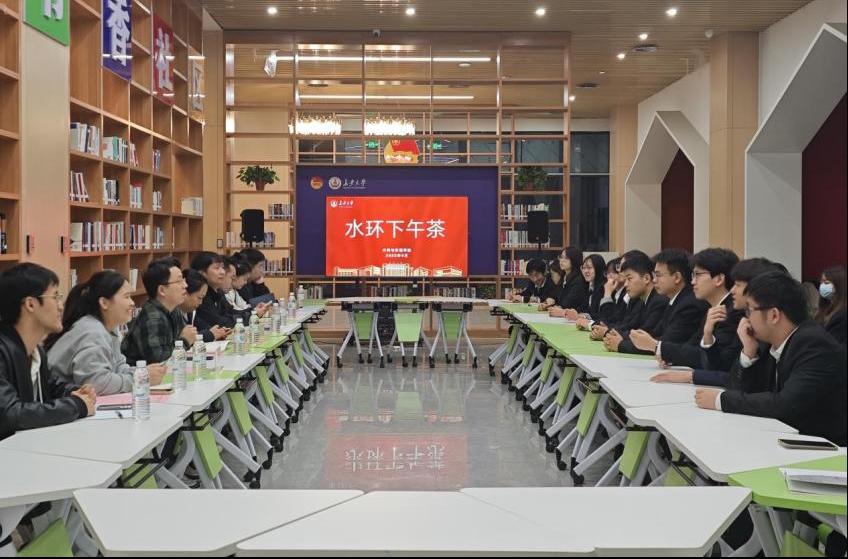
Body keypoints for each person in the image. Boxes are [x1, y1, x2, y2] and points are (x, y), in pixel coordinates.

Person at [694, 271, 847, 445]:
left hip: (828, 447)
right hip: (787, 438)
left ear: (774, 315)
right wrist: (748, 353)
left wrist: (720, 400)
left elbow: (784, 405)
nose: (746, 318)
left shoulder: (813, 344)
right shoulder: (769, 342)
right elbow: (743, 391)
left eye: (749, 310)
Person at [0, 263, 95, 441]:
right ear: (30, 304)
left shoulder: (36, 351)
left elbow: (52, 386)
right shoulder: (3, 351)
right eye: (55, 297)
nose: (61, 306)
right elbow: (9, 413)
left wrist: (75, 392)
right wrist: (76, 406)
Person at [652, 257, 779, 387]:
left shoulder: (734, 314)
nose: (732, 290)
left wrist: (691, 376)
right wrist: (707, 335)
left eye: (698, 275)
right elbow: (732, 373)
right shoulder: (720, 311)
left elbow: (728, 369)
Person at [47, 271, 166, 395]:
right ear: (104, 303)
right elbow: (96, 384)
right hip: (59, 401)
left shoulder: (109, 327)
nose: (132, 303)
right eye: (126, 297)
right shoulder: (92, 331)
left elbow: (118, 367)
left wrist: (141, 372)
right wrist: (140, 379)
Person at [651, 248, 740, 369]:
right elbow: (692, 346)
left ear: (719, 279)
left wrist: (657, 346)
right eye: (692, 275)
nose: (692, 281)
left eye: (698, 275)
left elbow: (719, 363)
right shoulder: (712, 308)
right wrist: (672, 358)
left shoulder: (732, 312)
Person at [618, 249, 708, 355]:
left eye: (658, 275)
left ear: (677, 277)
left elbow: (666, 342)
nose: (654, 280)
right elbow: (655, 333)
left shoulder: (689, 304)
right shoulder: (674, 300)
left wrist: (621, 344)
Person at [122, 258, 197, 365]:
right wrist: (185, 341)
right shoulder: (152, 317)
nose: (185, 285)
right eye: (179, 281)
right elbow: (158, 359)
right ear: (162, 290)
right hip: (140, 374)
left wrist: (187, 340)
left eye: (183, 280)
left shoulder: (174, 309)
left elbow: (189, 338)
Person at [601, 253, 668, 353]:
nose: (625, 284)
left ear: (646, 278)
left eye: (629, 279)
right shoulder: (642, 301)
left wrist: (615, 339)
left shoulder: (659, 301)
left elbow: (645, 334)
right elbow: (630, 325)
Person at [192, 252, 270, 332]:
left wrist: (253, 312)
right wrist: (253, 314)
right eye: (217, 268)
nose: (222, 272)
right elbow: (221, 323)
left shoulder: (218, 293)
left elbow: (231, 312)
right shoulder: (202, 296)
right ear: (202, 273)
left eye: (222, 268)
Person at [179, 269, 229, 343]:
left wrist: (218, 331)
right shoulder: (173, 313)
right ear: (185, 293)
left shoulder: (190, 312)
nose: (201, 302)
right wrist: (210, 335)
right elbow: (181, 340)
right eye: (199, 298)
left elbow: (204, 328)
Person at [576, 257, 627, 330]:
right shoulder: (587, 285)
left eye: (589, 268)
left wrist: (607, 294)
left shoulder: (607, 288)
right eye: (608, 273)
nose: (610, 276)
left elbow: (606, 319)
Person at [555, 254, 605, 320]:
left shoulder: (604, 288)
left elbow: (601, 315)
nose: (586, 271)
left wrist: (582, 316)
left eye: (589, 268)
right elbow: (584, 307)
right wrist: (570, 312)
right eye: (583, 268)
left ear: (598, 268)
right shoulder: (589, 286)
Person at [815, 265, 846, 346]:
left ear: (839, 286)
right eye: (821, 282)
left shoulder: (843, 316)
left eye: (826, 283)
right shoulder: (822, 311)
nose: (822, 286)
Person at [551, 246, 588, 312]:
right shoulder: (564, 276)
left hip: (574, 314)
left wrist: (556, 306)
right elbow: (557, 297)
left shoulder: (578, 280)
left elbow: (567, 303)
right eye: (561, 257)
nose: (562, 260)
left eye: (566, 258)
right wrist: (549, 302)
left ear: (574, 260)